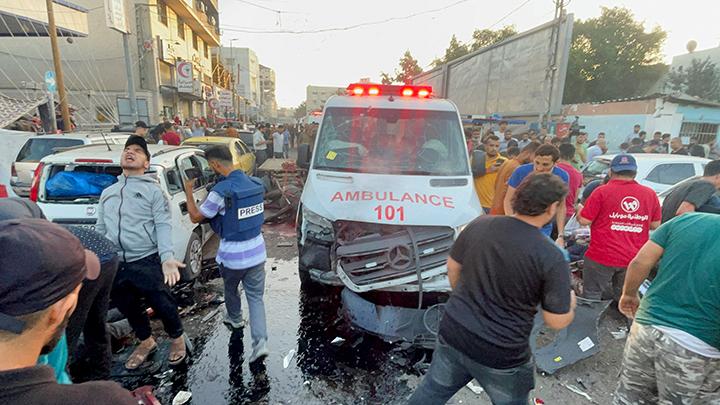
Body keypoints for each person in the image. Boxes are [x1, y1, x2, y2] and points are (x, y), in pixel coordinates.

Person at [407, 174, 575, 405]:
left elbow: (452, 267)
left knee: (432, 392)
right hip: (502, 355)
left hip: (455, 332)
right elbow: (556, 321)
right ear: (551, 208)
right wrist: (571, 303)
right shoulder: (552, 256)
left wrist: (465, 299)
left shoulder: (480, 224)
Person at [0, 219, 137, 404]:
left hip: (104, 257)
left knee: (94, 325)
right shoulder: (106, 399)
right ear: (63, 307)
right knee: (83, 329)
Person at [95, 136, 188, 370]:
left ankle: (177, 338)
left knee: (163, 303)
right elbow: (101, 227)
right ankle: (146, 341)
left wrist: (166, 257)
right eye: (127, 149)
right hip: (117, 262)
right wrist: (99, 257)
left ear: (146, 163)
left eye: (137, 150)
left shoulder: (154, 192)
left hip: (146, 259)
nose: (130, 152)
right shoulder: (108, 192)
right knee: (128, 306)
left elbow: (163, 225)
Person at [614, 213, 720, 405]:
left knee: (629, 398)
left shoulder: (687, 220)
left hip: (647, 327)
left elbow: (640, 261)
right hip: (697, 346)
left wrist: (629, 294)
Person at [182, 146, 270, 363]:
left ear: (214, 165)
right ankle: (261, 344)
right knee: (256, 298)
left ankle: (236, 319)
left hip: (232, 256)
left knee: (231, 290)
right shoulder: (256, 184)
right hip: (258, 252)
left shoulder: (221, 191)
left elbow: (195, 217)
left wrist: (188, 191)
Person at [577, 154, 661, 301]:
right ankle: (627, 323)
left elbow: (584, 220)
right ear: (635, 173)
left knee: (592, 296)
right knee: (627, 298)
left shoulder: (601, 191)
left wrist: (579, 209)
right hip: (634, 257)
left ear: (610, 172)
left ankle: (590, 322)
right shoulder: (650, 194)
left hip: (601, 255)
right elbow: (655, 224)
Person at [504, 144, 569, 242]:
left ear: (555, 163)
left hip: (544, 227)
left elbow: (561, 207)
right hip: (520, 222)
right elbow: (508, 200)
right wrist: (512, 223)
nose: (539, 168)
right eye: (537, 162)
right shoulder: (521, 171)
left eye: (545, 165)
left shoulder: (562, 176)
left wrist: (560, 235)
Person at [490, 142, 540, 215]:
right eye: (536, 158)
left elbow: (496, 185)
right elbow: (509, 193)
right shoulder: (518, 169)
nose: (536, 162)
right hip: (504, 212)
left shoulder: (508, 162)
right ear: (527, 153)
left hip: (496, 207)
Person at [472, 135, 504, 214]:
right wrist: (488, 170)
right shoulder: (477, 159)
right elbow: (470, 174)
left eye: (497, 146)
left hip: (492, 204)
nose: (494, 148)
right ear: (485, 146)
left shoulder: (504, 162)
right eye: (491, 145)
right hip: (475, 203)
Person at [556, 144, 583, 222]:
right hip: (568, 217)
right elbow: (574, 200)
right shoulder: (578, 174)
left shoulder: (553, 169)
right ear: (573, 156)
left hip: (550, 214)